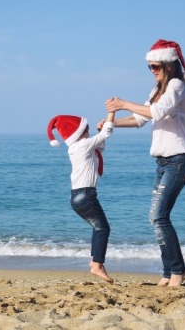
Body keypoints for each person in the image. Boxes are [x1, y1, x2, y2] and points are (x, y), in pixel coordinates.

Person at [106, 39, 185, 287]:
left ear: (169, 64)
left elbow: (157, 113)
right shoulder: (158, 90)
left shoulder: (177, 85)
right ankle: (169, 273)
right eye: (150, 67)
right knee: (157, 217)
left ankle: (177, 272)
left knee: (159, 215)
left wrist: (122, 103)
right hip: (163, 161)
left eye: (156, 66)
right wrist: (111, 122)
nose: (153, 70)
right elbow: (139, 119)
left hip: (179, 159)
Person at [47, 109, 115, 283]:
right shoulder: (83, 145)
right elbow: (107, 134)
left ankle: (96, 263)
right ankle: (96, 265)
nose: (89, 131)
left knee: (99, 228)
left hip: (78, 197)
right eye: (87, 129)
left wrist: (100, 132)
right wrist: (111, 113)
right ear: (78, 132)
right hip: (85, 196)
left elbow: (101, 145)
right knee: (102, 229)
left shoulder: (78, 147)